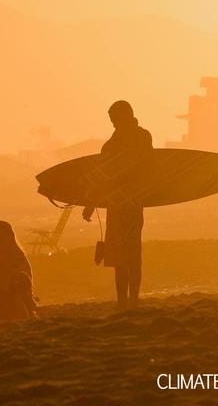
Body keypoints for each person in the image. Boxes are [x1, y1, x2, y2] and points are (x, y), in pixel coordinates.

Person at [85, 100, 153, 308]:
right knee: (118, 254)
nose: (113, 124)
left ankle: (133, 298)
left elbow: (142, 166)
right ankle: (122, 299)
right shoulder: (110, 144)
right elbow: (102, 176)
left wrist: (112, 185)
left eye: (115, 119)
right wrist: (91, 203)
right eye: (111, 120)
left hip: (132, 204)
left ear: (127, 115)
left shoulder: (142, 136)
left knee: (132, 253)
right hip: (115, 206)